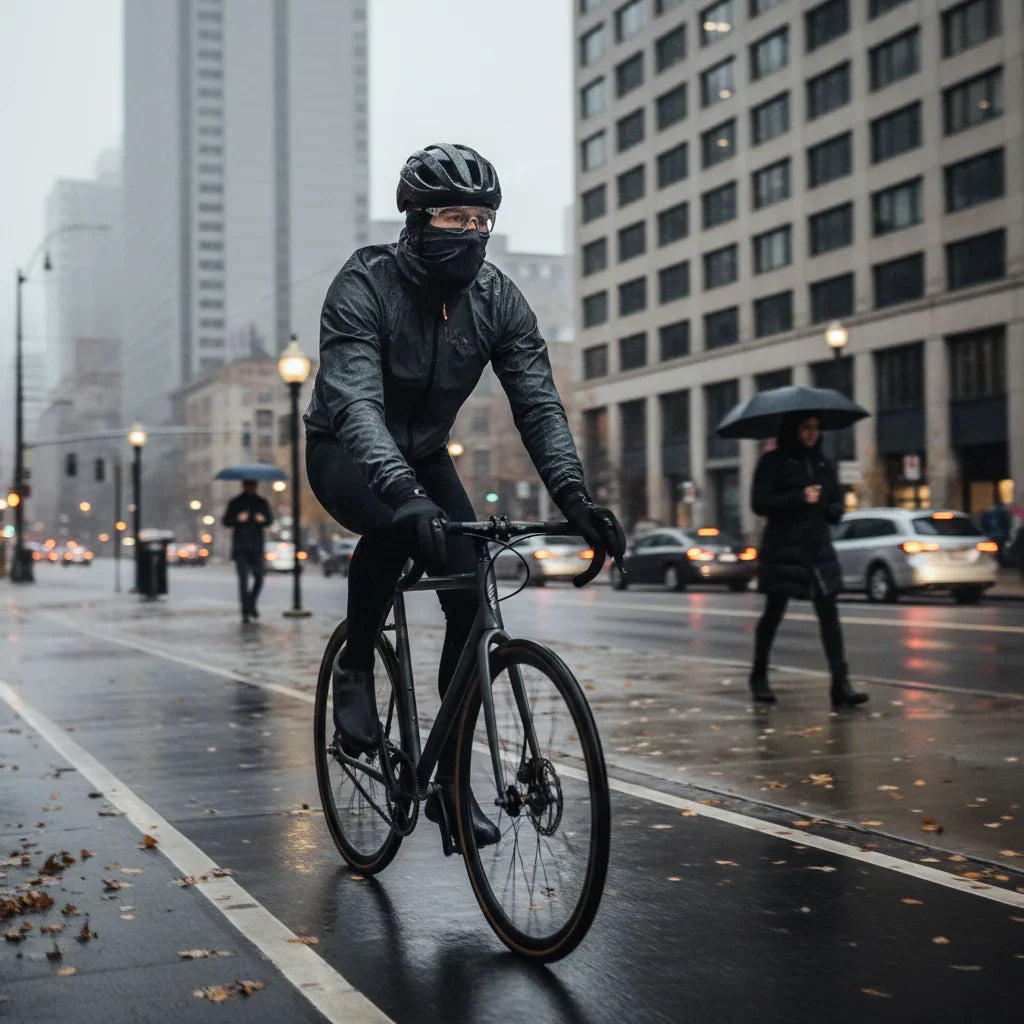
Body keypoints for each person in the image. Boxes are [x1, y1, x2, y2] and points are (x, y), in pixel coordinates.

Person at [304, 143, 625, 848]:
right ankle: (357, 665)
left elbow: (538, 404)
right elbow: (355, 401)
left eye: (482, 219)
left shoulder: (497, 299)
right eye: (455, 216)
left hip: (422, 454)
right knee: (393, 526)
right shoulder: (365, 283)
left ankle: (449, 785)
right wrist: (400, 492)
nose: (471, 232)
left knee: (473, 596)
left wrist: (576, 497)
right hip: (344, 450)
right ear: (416, 220)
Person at [748, 412, 868, 708]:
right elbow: (759, 503)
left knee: (830, 617)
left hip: (817, 549)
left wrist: (834, 508)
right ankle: (759, 675)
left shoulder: (823, 463)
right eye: (806, 428)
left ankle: (840, 684)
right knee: (773, 614)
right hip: (784, 550)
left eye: (816, 428)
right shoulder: (772, 462)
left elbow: (834, 502)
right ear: (793, 430)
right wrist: (798, 496)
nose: (813, 433)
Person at [221, 480, 274, 624]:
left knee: (259, 577)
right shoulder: (236, 502)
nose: (250, 488)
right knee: (243, 580)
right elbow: (226, 521)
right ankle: (245, 611)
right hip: (241, 547)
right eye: (248, 485)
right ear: (244, 486)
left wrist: (262, 520)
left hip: (256, 546)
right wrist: (238, 519)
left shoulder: (261, 502)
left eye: (252, 485)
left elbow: (269, 520)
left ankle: (250, 604)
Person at [981, 499, 1012, 564]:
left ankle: (995, 560)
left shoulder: (989, 512)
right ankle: (999, 560)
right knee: (1000, 548)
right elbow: (1007, 524)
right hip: (1001, 534)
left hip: (992, 534)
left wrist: (986, 532)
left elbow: (984, 523)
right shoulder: (1003, 512)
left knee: (993, 549)